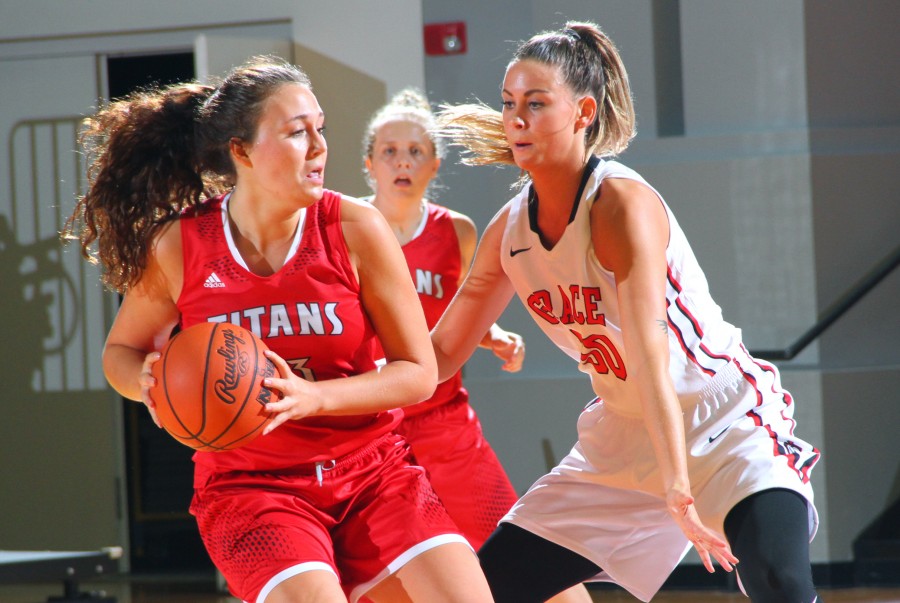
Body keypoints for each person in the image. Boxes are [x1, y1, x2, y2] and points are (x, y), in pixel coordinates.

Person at [63, 56, 494, 603]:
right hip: (250, 490)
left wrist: (313, 397)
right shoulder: (182, 243)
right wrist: (148, 379)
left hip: (372, 475)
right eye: (297, 132)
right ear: (240, 151)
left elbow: (418, 373)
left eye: (321, 129)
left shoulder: (356, 228)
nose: (318, 147)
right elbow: (121, 353)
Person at [431, 22, 821, 603]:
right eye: (510, 104)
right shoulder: (508, 232)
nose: (516, 119)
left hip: (721, 417)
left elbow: (647, 352)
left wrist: (678, 484)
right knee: (485, 590)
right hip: (622, 435)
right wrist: (328, 390)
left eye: (536, 105)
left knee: (777, 578)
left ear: (583, 111)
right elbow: (434, 358)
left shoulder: (618, 203)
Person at [361, 89, 594, 603]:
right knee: (383, 574)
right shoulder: (347, 227)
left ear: (434, 165)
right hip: (372, 425)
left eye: (416, 151)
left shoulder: (456, 231)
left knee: (522, 545)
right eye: (390, 150)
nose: (402, 161)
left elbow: (461, 317)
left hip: (444, 421)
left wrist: (494, 338)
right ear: (369, 164)